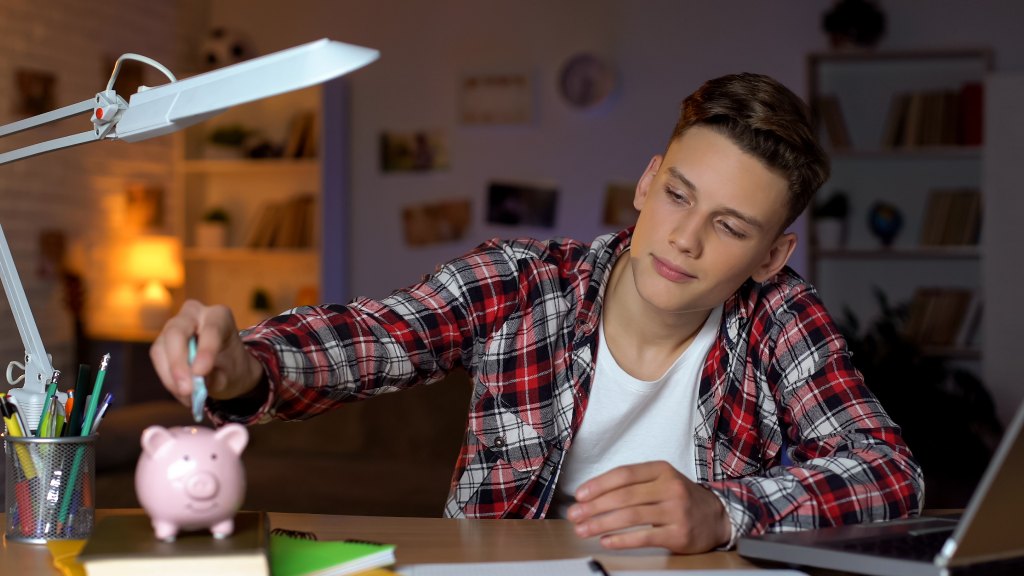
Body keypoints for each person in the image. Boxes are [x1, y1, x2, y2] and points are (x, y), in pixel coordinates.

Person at [150, 72, 923, 554]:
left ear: (770, 256)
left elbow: (891, 473)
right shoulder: (523, 282)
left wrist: (724, 511)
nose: (684, 239)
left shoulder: (782, 316)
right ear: (649, 183)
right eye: (681, 195)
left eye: (728, 226)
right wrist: (246, 363)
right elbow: (375, 337)